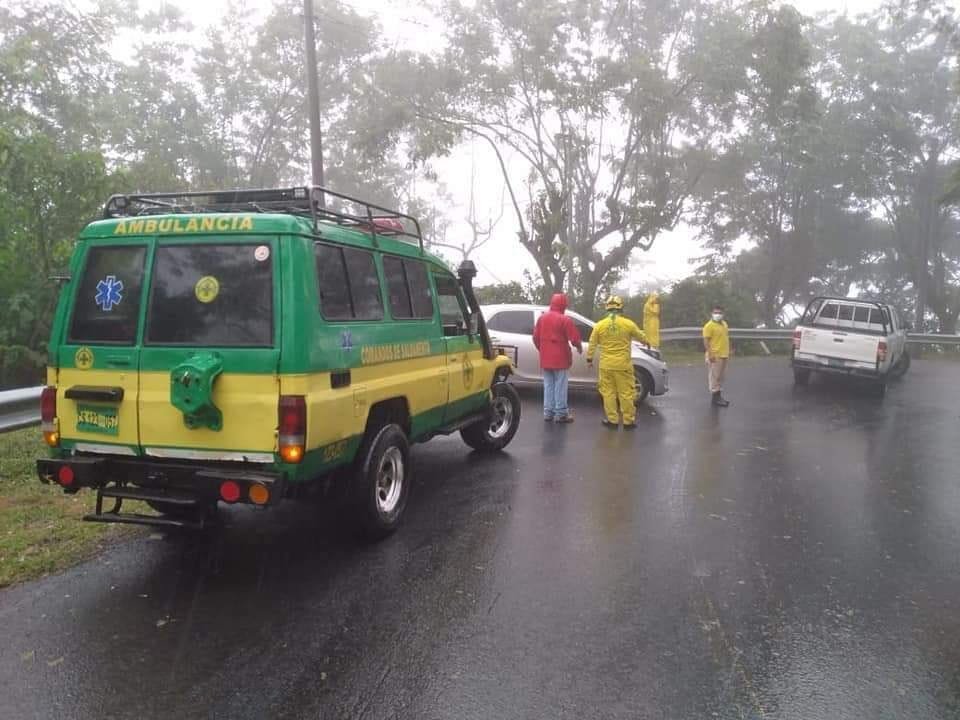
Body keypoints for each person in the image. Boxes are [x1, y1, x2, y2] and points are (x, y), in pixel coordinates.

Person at [586, 295, 647, 429]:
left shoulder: (599, 325)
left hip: (606, 366)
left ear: (607, 308)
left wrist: (589, 359)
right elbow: (641, 336)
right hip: (623, 366)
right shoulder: (628, 324)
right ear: (621, 308)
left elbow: (592, 343)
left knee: (608, 394)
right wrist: (646, 342)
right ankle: (628, 421)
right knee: (626, 394)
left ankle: (612, 420)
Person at [533, 293, 582, 423]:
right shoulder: (565, 320)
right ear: (563, 305)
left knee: (548, 385)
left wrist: (542, 350)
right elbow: (575, 339)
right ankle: (561, 414)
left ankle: (548, 413)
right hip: (561, 359)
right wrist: (579, 347)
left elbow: (535, 338)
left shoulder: (542, 319)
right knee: (560, 386)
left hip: (546, 358)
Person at [702, 304, 731, 407]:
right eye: (715, 313)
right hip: (715, 355)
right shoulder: (708, 326)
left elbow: (725, 338)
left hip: (724, 354)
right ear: (712, 313)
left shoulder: (724, 324)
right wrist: (710, 354)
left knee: (720, 377)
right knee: (714, 377)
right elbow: (706, 341)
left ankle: (719, 396)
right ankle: (715, 398)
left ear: (723, 314)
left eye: (719, 313)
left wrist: (729, 350)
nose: (717, 314)